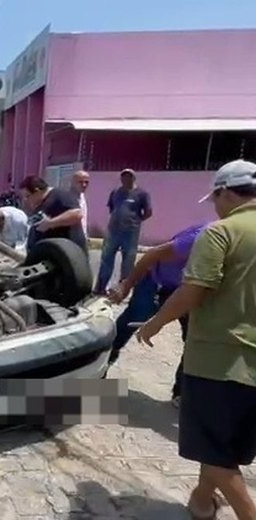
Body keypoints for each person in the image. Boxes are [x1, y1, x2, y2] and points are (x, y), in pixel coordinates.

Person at [136, 159, 256, 520]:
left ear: (223, 192)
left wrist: (154, 324)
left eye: (215, 198)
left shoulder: (221, 232)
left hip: (219, 364)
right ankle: (202, 503)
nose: (215, 207)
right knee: (224, 449)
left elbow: (194, 291)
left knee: (216, 454)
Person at [107, 222, 208, 405]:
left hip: (190, 290)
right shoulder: (201, 237)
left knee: (195, 340)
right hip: (156, 282)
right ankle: (97, 371)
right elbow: (152, 254)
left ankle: (181, 394)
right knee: (129, 323)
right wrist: (126, 285)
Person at [94, 169, 152, 294]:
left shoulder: (141, 194)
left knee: (128, 261)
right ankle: (101, 288)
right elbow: (111, 208)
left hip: (130, 232)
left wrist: (136, 221)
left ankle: (122, 289)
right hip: (113, 231)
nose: (125, 179)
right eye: (123, 177)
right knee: (106, 258)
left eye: (129, 177)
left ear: (134, 178)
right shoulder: (115, 192)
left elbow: (148, 212)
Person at [18, 175, 87, 254]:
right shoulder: (40, 204)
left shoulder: (60, 195)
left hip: (68, 254)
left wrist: (50, 223)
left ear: (37, 191)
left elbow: (77, 214)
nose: (26, 200)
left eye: (27, 196)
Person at [70, 170, 90, 238]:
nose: (84, 185)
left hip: (81, 236)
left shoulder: (82, 196)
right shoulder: (67, 198)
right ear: (73, 183)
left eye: (86, 182)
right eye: (80, 182)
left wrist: (85, 234)